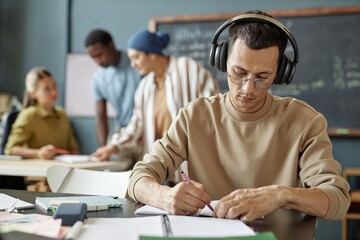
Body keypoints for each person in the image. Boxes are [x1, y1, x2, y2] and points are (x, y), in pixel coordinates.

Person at [127, 10, 350, 222]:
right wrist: (162, 196)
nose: (247, 89)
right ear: (222, 61)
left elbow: (337, 200)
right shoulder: (194, 116)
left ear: (281, 72)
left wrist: (281, 195)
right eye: (239, 73)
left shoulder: (305, 121)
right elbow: (137, 179)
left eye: (262, 77)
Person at [91, 30, 221, 172]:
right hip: (163, 167)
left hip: (192, 163)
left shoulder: (187, 68)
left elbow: (214, 105)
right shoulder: (145, 86)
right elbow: (136, 126)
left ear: (151, 54)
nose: (133, 64)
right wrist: (113, 146)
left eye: (136, 57)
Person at [5, 67, 79, 159]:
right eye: (47, 88)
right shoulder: (29, 115)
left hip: (62, 170)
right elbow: (11, 149)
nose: (53, 92)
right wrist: (38, 153)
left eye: (54, 86)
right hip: (38, 171)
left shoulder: (62, 114)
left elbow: (73, 149)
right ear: (33, 93)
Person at [85, 29, 141, 147]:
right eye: (93, 58)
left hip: (145, 130)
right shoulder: (98, 79)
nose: (98, 61)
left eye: (100, 55)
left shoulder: (137, 63)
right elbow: (101, 115)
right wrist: (102, 146)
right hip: (122, 132)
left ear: (111, 45)